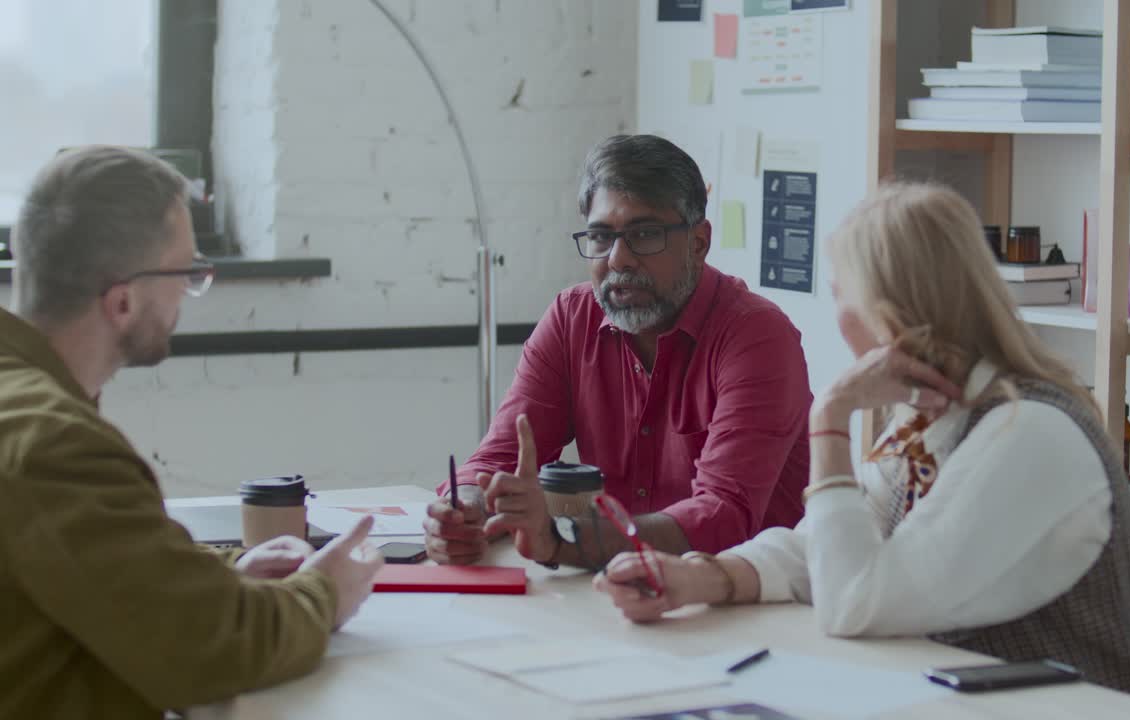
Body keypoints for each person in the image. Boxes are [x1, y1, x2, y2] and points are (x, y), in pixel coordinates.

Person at [594, 182, 1130, 701]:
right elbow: (830, 546)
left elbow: (854, 601)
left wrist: (829, 418)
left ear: (890, 312)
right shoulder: (938, 414)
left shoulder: (1029, 434)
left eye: (841, 294)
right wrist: (706, 576)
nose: (837, 317)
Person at [0, 145, 385, 719]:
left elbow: (76, 572)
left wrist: (217, 579)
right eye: (187, 273)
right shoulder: (56, 444)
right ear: (123, 301)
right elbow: (208, 654)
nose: (190, 291)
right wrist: (323, 595)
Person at [424, 134, 811, 569]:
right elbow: (497, 460)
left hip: (753, 599)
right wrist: (467, 511)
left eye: (645, 235)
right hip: (621, 587)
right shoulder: (572, 318)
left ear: (699, 243)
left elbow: (723, 516)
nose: (618, 259)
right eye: (601, 237)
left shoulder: (758, 336)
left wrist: (563, 540)